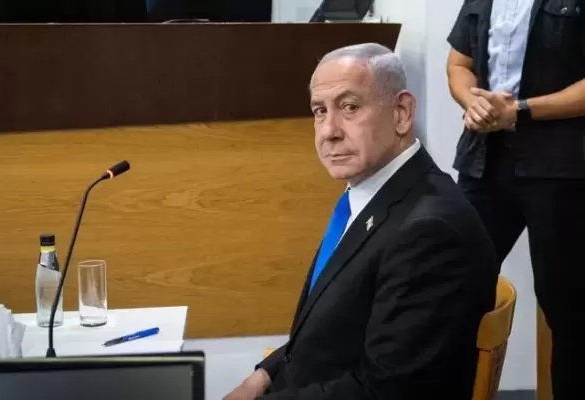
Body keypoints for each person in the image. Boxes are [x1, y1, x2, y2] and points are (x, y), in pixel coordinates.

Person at [223, 43, 499, 400]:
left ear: (401, 113)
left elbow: (385, 392)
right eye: (320, 111)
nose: (329, 131)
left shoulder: (429, 232)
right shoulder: (372, 196)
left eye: (349, 107)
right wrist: (263, 376)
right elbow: (332, 332)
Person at [446, 1, 585, 397]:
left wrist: (520, 111)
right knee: (451, 290)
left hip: (561, 169)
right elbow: (458, 63)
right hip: (483, 164)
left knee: (568, 308)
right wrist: (472, 102)